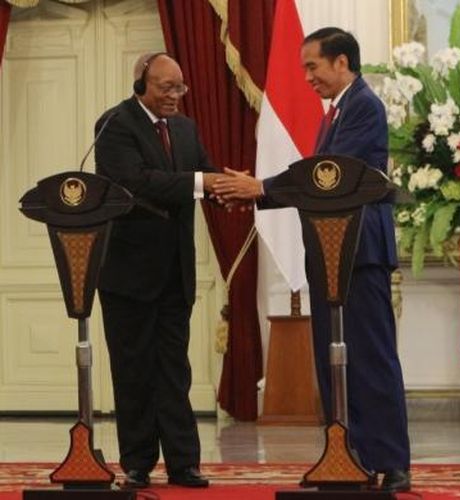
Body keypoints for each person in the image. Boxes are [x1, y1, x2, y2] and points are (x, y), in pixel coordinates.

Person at [213, 28, 411, 492]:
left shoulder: (364, 106)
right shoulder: (335, 113)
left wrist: (260, 188)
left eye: (312, 67)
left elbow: (330, 176)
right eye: (303, 68)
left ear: (341, 63)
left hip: (358, 252)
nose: (307, 78)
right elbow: (320, 180)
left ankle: (391, 461)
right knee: (336, 360)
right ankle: (349, 454)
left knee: (371, 358)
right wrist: (259, 190)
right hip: (331, 253)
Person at [94, 52, 226, 489]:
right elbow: (136, 182)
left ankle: (184, 463)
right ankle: (137, 462)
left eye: (180, 88)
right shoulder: (115, 124)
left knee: (175, 368)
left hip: (175, 272)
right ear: (140, 85)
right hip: (128, 273)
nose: (174, 96)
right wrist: (202, 183)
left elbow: (201, 173)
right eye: (166, 87)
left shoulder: (185, 128)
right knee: (133, 369)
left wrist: (228, 186)